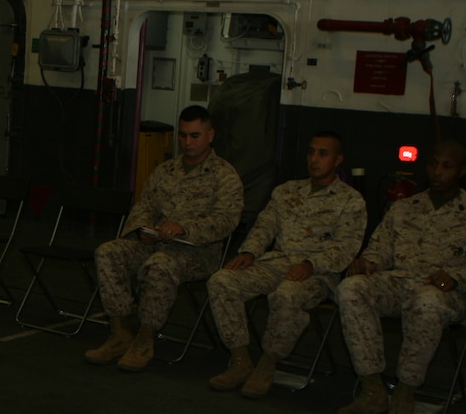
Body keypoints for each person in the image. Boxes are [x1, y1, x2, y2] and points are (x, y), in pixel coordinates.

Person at [334, 139, 466, 414]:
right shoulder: (405, 208)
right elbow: (379, 251)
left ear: (463, 171)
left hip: (447, 294)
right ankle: (373, 390)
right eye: (433, 164)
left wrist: (456, 277)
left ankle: (405, 394)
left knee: (427, 302)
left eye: (447, 166)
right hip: (400, 283)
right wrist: (368, 264)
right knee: (352, 288)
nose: (437, 172)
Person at [205, 131, 366, 397]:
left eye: (322, 154)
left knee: (286, 295)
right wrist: (249, 252)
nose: (314, 159)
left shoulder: (350, 201)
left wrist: (312, 264)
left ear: (338, 160)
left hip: (319, 273)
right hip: (278, 262)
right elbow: (265, 226)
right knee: (222, 281)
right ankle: (241, 360)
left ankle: (268, 362)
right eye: (311, 152)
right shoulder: (287, 191)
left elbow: (346, 248)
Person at [85, 105, 243, 371]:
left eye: (195, 136)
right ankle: (120, 332)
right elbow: (144, 204)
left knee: (160, 265)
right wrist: (142, 229)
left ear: (210, 135)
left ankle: (144, 340)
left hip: (197, 253)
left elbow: (226, 221)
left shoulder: (224, 176)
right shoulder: (166, 170)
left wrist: (184, 227)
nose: (187, 142)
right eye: (182, 135)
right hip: (155, 243)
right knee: (108, 252)